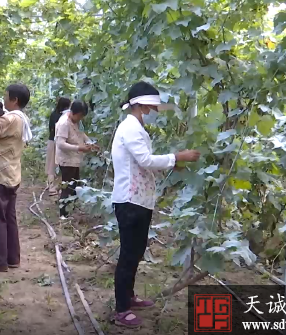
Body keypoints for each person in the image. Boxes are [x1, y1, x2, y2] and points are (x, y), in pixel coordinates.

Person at [111, 81, 200, 328]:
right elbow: (145, 159)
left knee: (137, 251)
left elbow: (142, 164)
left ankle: (129, 297)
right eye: (151, 108)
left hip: (140, 200)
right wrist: (176, 157)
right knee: (128, 255)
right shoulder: (129, 127)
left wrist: (173, 164)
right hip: (130, 201)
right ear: (139, 105)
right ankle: (121, 309)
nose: (154, 113)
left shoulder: (136, 127)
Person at [0, 83, 33, 272]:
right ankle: (12, 258)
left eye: (6, 96)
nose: (2, 99)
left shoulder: (10, 120)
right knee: (9, 217)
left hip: (1, 174)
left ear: (14, 100)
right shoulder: (21, 118)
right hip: (12, 173)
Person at [55, 100, 98, 218]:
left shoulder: (76, 122)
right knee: (67, 187)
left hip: (74, 160)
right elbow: (60, 144)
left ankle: (69, 210)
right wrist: (78, 147)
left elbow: (81, 134)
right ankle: (63, 214)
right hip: (66, 160)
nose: (80, 119)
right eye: (79, 116)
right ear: (74, 112)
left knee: (74, 186)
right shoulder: (64, 123)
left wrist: (90, 143)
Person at [46, 97, 71, 196]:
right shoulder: (66, 117)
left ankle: (51, 186)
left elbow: (50, 128)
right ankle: (59, 186)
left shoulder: (53, 114)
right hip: (62, 142)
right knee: (62, 165)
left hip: (52, 140)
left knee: (51, 164)